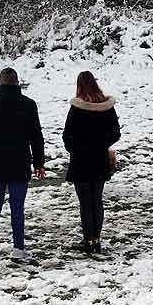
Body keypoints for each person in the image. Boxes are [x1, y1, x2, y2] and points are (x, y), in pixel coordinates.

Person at [0, 67, 46, 259]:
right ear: (17, 82)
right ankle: (18, 248)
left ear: (0, 81)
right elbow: (36, 136)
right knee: (17, 207)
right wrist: (39, 162)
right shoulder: (28, 104)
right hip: (19, 160)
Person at [63, 71, 120, 255]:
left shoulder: (77, 108)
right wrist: (101, 144)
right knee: (97, 199)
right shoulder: (107, 107)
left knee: (85, 202)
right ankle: (97, 239)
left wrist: (76, 148)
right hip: (99, 159)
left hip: (81, 160)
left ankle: (88, 240)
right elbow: (115, 133)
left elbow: (67, 135)